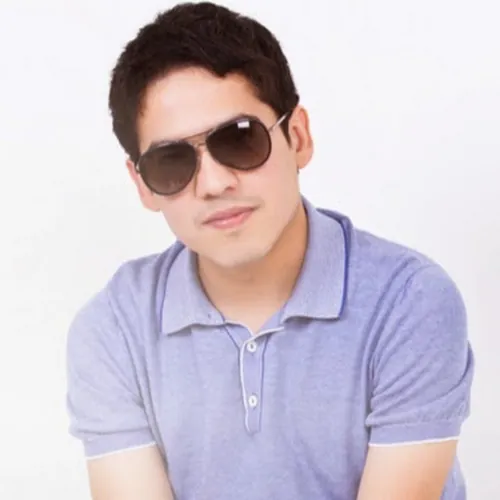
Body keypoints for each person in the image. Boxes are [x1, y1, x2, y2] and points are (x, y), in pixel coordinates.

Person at [65, 2, 475, 499]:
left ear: (297, 137)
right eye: (172, 162)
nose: (214, 184)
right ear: (142, 185)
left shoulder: (407, 302)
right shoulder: (115, 327)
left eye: (239, 140)